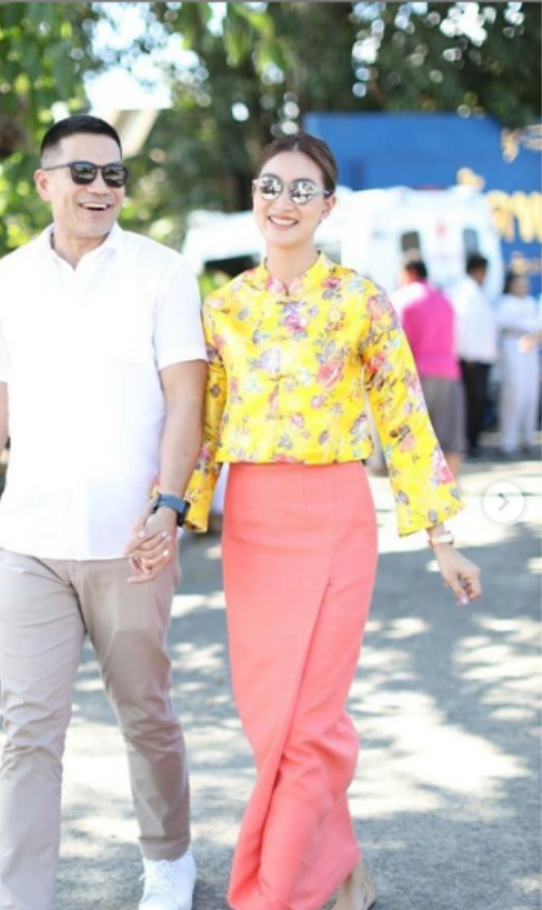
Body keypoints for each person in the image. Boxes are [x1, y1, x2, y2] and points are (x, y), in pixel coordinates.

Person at [132, 132, 482, 910]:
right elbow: (202, 427)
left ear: (329, 205)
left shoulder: (362, 300)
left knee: (313, 718)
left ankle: (275, 891)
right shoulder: (222, 309)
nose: (281, 201)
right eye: (269, 185)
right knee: (272, 720)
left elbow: (404, 419)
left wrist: (443, 540)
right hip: (254, 523)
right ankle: (341, 865)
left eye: (300, 189)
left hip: (335, 516)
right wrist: (168, 514)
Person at [0, 115, 207, 910]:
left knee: (145, 713)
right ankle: (23, 894)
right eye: (84, 173)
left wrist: (169, 505)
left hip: (131, 540)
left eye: (114, 175)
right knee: (29, 730)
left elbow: (186, 397)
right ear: (44, 183)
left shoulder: (162, 272)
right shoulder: (7, 280)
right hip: (29, 540)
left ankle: (169, 859)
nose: (102, 188)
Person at [392, 256, 465, 476]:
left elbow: (396, 342)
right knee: (449, 438)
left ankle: (420, 487)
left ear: (409, 272)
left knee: (414, 437)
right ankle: (451, 485)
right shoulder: (444, 298)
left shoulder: (403, 298)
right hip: (449, 372)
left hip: (416, 374)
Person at [451, 252, 498, 458]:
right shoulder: (465, 292)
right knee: (471, 402)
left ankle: (473, 443)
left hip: (482, 356)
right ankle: (466, 444)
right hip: (471, 358)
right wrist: (467, 352)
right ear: (477, 271)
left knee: (478, 402)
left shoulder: (476, 292)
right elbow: (461, 325)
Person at [496, 272, 542, 457]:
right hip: (512, 346)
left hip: (531, 349)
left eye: (525, 284)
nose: (523, 287)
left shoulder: (531, 302)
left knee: (531, 395)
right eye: (519, 283)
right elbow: (503, 324)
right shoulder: (505, 303)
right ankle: (508, 442)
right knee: (514, 395)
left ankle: (527, 439)